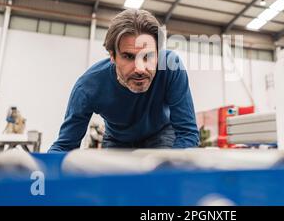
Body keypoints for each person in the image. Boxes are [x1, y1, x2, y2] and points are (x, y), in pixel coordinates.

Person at [49, 9, 199, 152]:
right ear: (112, 56)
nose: (140, 69)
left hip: (161, 135)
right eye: (128, 56)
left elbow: (187, 133)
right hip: (117, 140)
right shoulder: (88, 87)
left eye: (148, 56)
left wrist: (170, 172)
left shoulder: (171, 67)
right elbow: (65, 146)